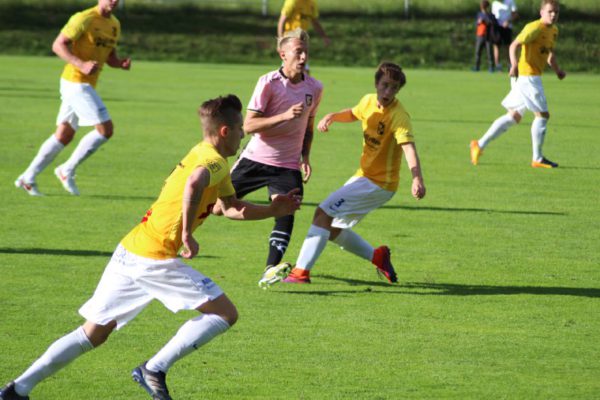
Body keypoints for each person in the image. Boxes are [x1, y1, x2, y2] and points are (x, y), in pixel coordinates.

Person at [0, 95, 301, 400]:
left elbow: (229, 208)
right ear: (225, 131)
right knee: (224, 313)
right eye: (239, 129)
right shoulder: (213, 161)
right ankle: (154, 369)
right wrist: (187, 233)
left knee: (92, 333)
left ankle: (18, 388)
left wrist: (273, 210)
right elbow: (194, 182)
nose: (243, 134)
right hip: (154, 257)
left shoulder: (209, 157)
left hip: (131, 249)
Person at [259, 62, 426, 287]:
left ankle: (300, 272)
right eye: (385, 85)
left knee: (322, 212)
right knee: (331, 227)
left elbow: (409, 149)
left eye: (394, 88)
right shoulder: (368, 101)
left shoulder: (399, 116)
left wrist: (417, 178)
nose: (388, 92)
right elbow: (354, 113)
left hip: (379, 184)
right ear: (376, 83)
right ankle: (377, 256)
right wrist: (332, 116)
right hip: (364, 177)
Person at [215, 28, 322, 287]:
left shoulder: (315, 88)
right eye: (298, 52)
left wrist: (305, 157)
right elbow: (249, 125)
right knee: (217, 208)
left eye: (306, 52)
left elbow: (308, 126)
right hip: (255, 159)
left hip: (288, 165)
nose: (303, 57)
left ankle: (270, 269)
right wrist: (284, 116)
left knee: (287, 210)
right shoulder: (268, 82)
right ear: (283, 54)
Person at [14, 0, 131, 197]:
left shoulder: (114, 24)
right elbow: (58, 45)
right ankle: (66, 169)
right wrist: (81, 64)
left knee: (64, 134)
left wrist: (120, 63)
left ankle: (27, 177)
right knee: (105, 129)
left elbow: (109, 56)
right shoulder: (84, 18)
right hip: (75, 82)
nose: (114, 1)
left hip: (85, 84)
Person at [471, 0, 566, 169]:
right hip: (528, 77)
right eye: (550, 11)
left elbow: (549, 54)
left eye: (556, 12)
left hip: (527, 78)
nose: (553, 15)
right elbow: (514, 45)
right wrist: (514, 65)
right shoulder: (534, 28)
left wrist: (558, 70)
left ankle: (479, 144)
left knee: (513, 117)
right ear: (542, 12)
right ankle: (537, 158)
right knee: (543, 116)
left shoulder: (554, 31)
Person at [492, 0, 518, 70]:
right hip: (497, 28)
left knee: (508, 46)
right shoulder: (494, 3)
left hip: (507, 27)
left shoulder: (510, 1)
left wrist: (508, 21)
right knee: (496, 46)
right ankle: (497, 66)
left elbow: (515, 14)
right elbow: (493, 16)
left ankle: (510, 65)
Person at [473, 0, 497, 72]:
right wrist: (479, 22)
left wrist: (487, 20)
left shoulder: (491, 15)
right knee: (478, 52)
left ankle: (491, 67)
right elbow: (476, 23)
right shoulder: (479, 14)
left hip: (488, 36)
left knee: (489, 52)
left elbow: (494, 23)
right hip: (480, 35)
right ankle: (476, 67)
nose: (483, 8)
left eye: (484, 6)